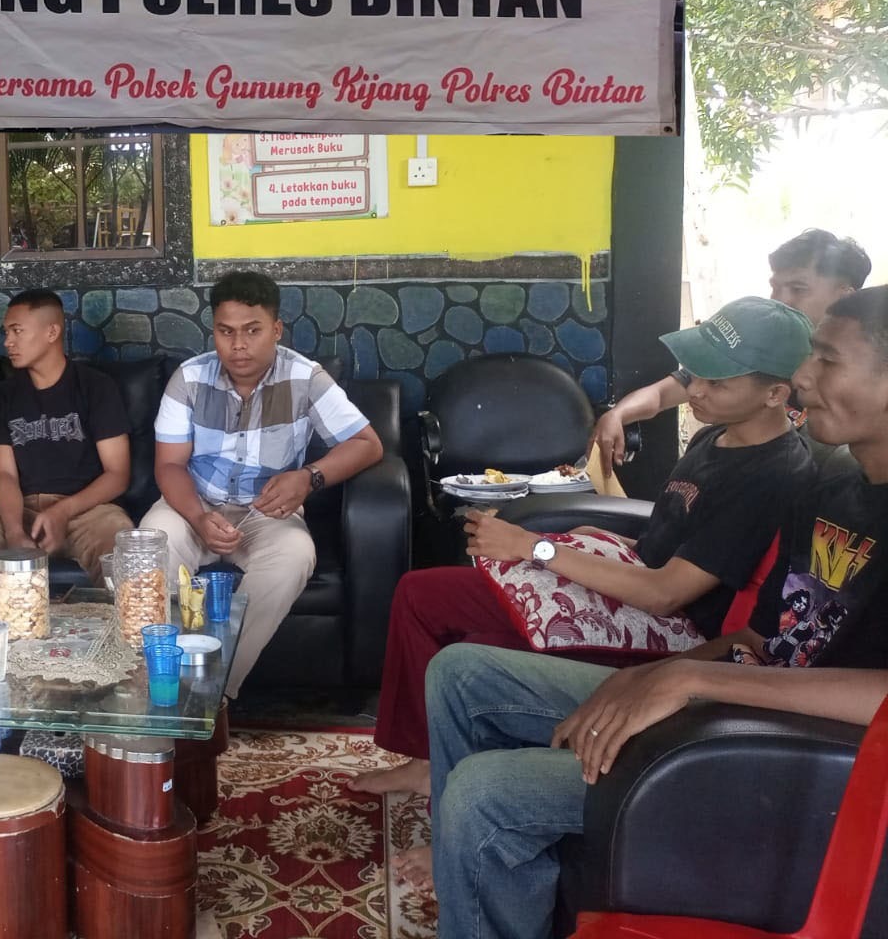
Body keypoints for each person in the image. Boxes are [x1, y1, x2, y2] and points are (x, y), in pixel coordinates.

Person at [424, 285, 888, 939]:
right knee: (461, 673)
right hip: (736, 700)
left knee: (484, 793)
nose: (805, 377)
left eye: (829, 360)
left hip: (801, 758)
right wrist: (653, 676)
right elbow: (766, 635)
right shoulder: (831, 483)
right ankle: (472, 875)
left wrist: (688, 677)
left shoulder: (787, 470)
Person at [353, 297, 816, 816]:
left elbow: (666, 594)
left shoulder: (770, 476)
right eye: (696, 374)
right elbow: (671, 545)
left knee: (474, 647)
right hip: (632, 587)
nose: (695, 391)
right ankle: (427, 761)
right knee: (421, 594)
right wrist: (600, 539)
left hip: (668, 632)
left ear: (776, 393)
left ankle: (459, 796)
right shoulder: (716, 437)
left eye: (718, 383)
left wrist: (535, 547)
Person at [142, 271, 383, 698]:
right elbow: (169, 465)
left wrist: (309, 477)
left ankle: (212, 695)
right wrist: (198, 517)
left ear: (276, 330)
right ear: (213, 330)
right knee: (149, 545)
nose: (238, 345)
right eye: (226, 331)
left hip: (266, 512)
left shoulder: (305, 377)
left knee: (294, 555)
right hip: (194, 503)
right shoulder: (190, 378)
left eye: (252, 331)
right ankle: (150, 685)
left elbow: (368, 444)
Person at [591, 228, 870, 476]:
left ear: (845, 295)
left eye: (798, 289)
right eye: (775, 287)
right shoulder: (759, 345)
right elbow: (664, 393)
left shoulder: (866, 378)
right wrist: (618, 415)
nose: (780, 299)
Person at [0, 289, 132, 580]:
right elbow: (4, 474)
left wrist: (62, 511)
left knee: (119, 536)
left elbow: (117, 474)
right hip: (19, 509)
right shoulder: (0, 397)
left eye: (17, 331)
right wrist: (14, 531)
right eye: (6, 332)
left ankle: (116, 610)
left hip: (85, 512)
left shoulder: (96, 387)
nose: (8, 342)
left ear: (52, 332)